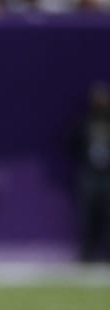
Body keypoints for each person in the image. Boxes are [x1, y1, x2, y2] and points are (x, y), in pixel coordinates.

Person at [72, 81, 110, 263]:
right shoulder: (85, 122)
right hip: (90, 174)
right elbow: (73, 143)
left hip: (107, 174)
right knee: (88, 215)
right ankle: (87, 253)